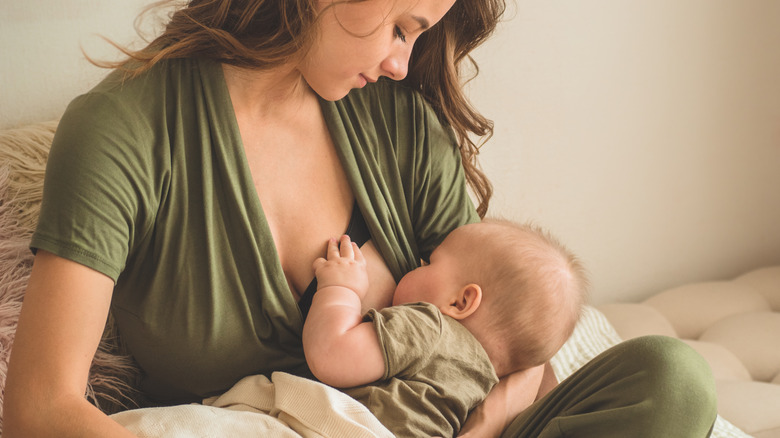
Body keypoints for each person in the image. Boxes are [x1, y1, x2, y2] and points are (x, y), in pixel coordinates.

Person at [3, 0, 717, 436]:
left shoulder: (399, 123)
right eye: (403, 26)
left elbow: (505, 349)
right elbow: (38, 408)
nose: (404, 65)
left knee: (670, 377)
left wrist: (479, 429)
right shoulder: (124, 130)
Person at [303, 220, 588, 437]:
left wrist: (341, 287)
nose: (417, 265)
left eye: (429, 263)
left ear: (461, 302)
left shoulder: (430, 327)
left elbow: (330, 354)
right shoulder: (484, 385)